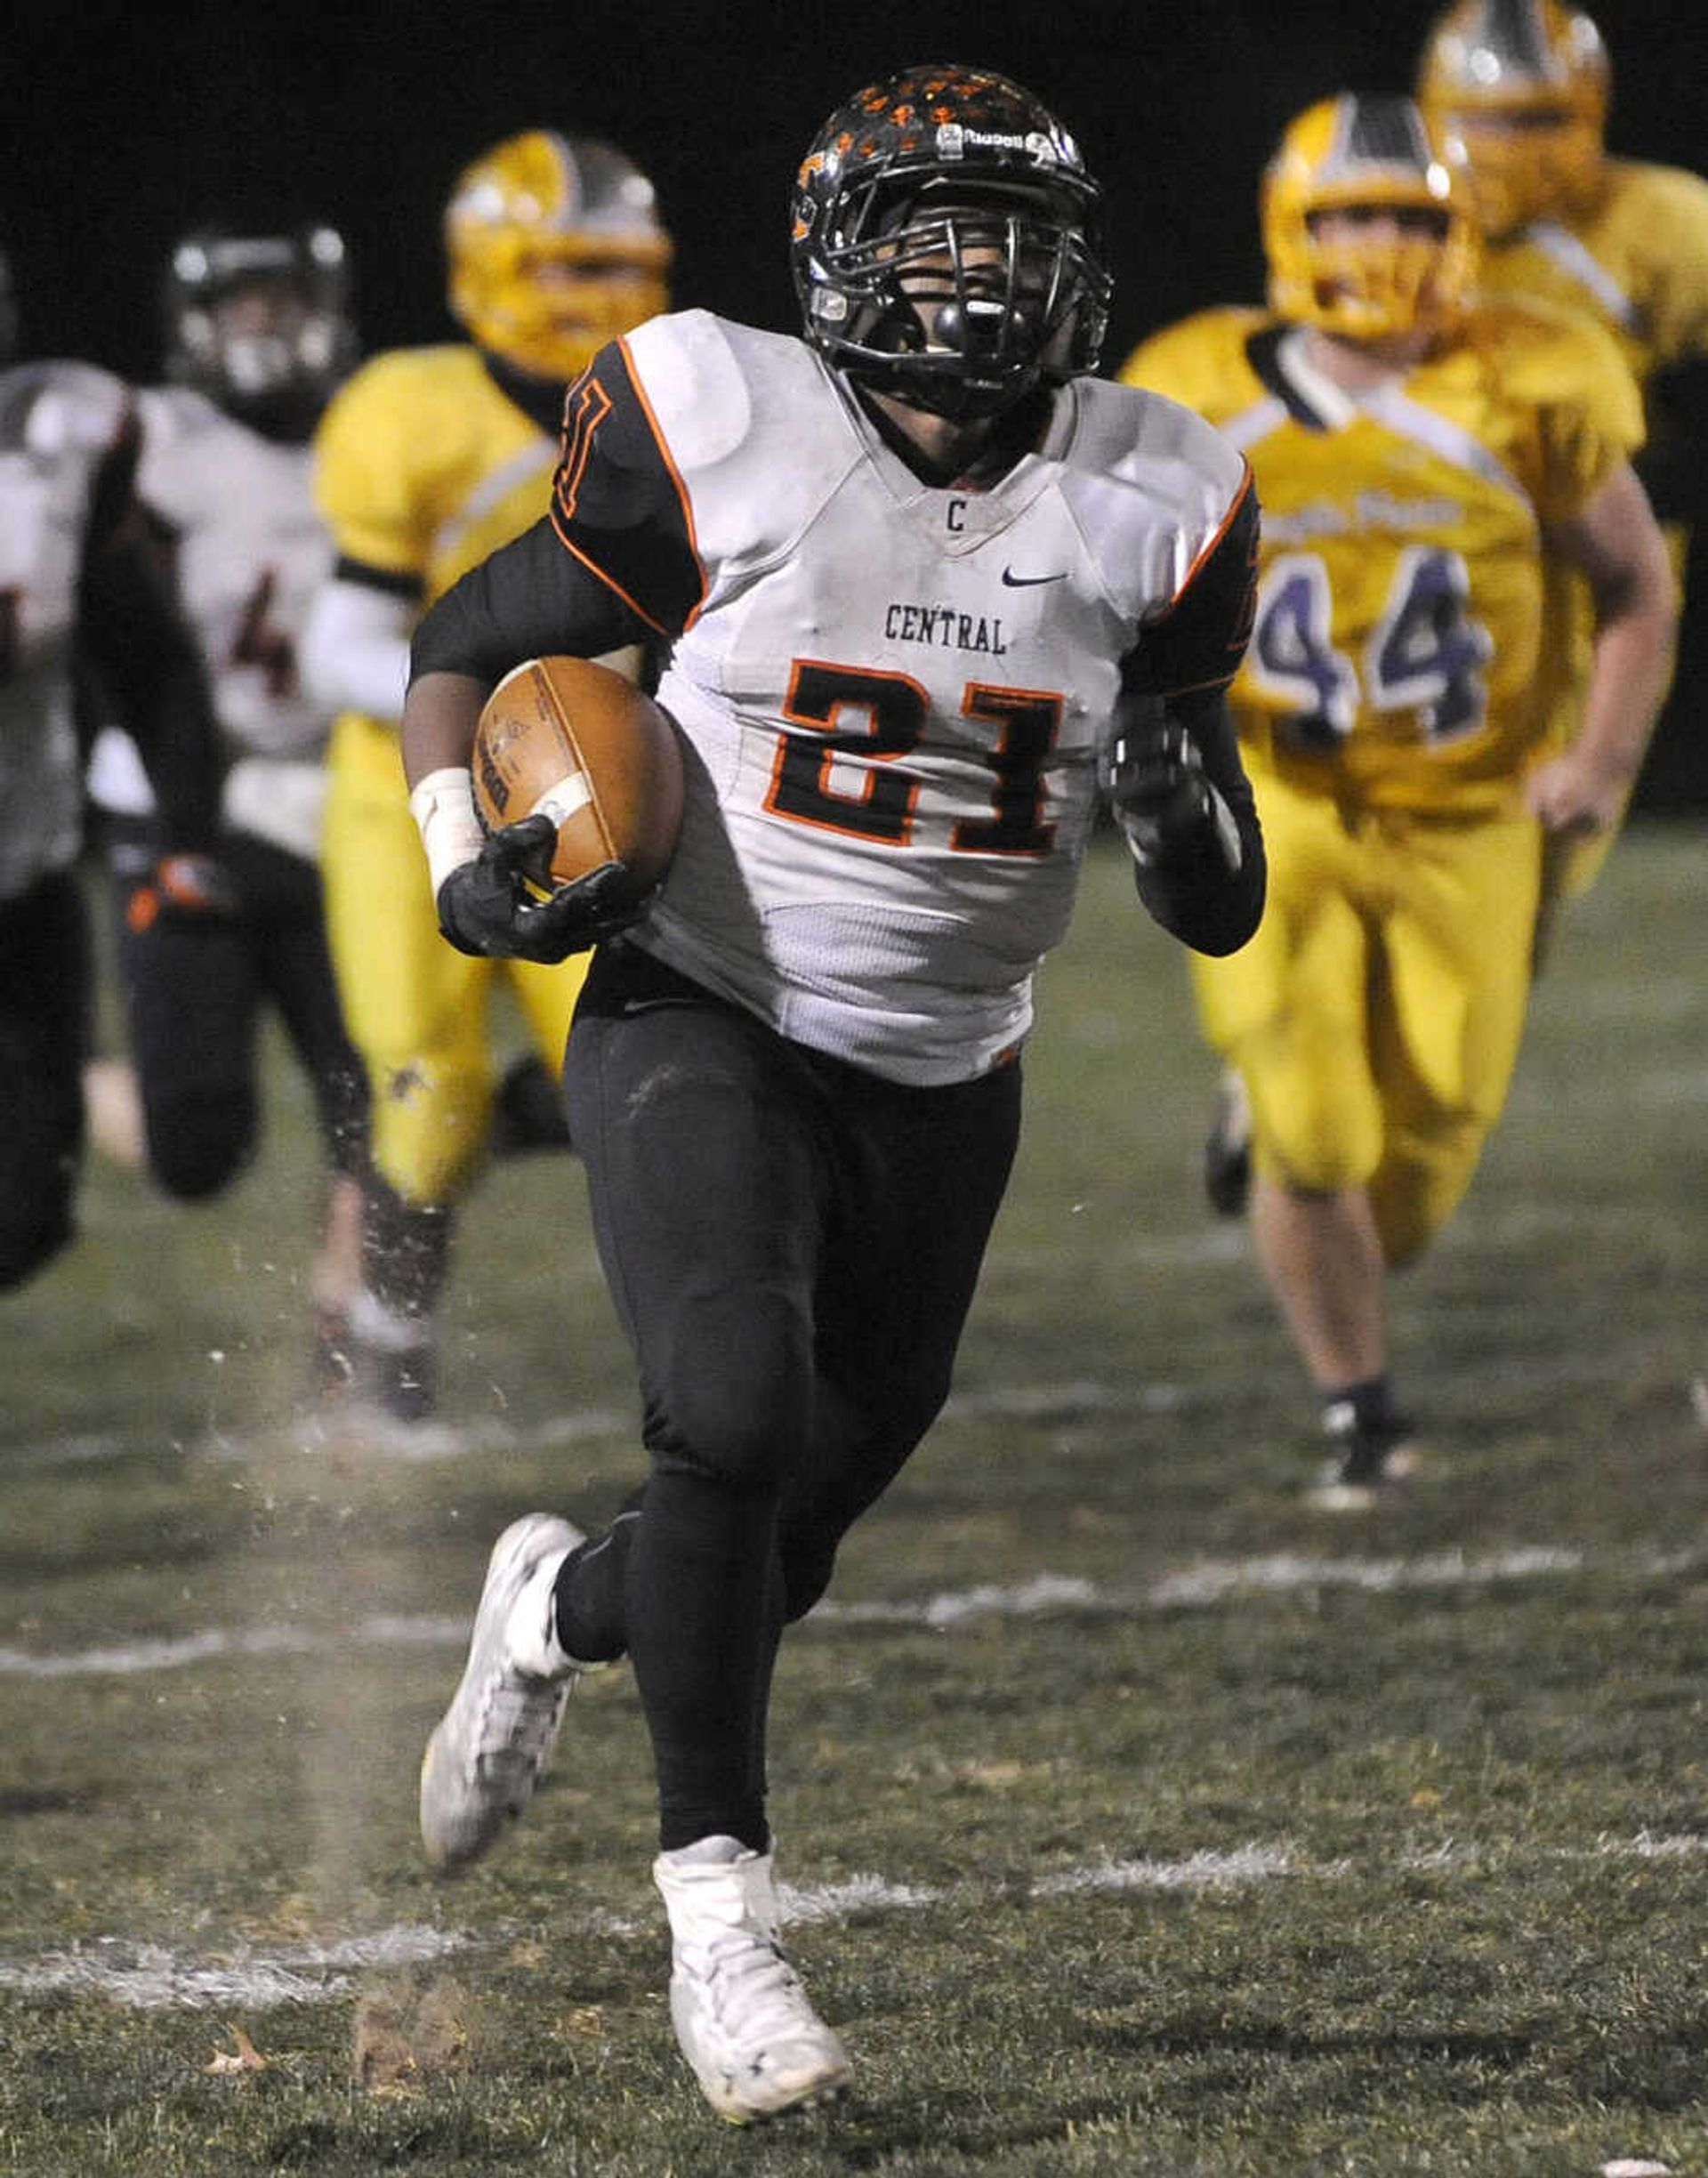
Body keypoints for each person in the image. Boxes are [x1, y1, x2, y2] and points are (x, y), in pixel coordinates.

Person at [399, 63, 1265, 2122]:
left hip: (946, 1073)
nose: (970, 292)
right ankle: (721, 1921)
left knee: (763, 1536)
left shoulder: (1165, 491)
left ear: (1077, 272)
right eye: (931, 241)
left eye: (1009, 248)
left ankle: (546, 1601)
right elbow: (467, 637)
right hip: (699, 998)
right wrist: (461, 853)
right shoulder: (721, 420)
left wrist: (1173, 801)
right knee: (734, 1401)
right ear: (833, 261)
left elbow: (1217, 899)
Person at [1120, 93, 1677, 1507]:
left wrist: (1600, 762)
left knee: (1412, 1179)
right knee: (1318, 1135)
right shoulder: (1200, 389)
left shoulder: (1529, 377)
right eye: (1352, 215)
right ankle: (1361, 1409)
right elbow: (1116, 590)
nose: (1384, 244)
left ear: (1463, 226)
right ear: (1289, 230)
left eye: (1414, 216)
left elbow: (1635, 589)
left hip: (1473, 811)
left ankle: (1295, 1197)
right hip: (1284, 798)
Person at [299, 131, 673, 1423]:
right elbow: (336, 639)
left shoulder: (669, 398)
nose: (598, 295)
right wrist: (482, 696)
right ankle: (388, 1345)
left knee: (642, 1076)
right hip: (407, 794)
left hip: (583, 786)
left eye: (619, 266)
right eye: (567, 262)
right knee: (429, 1089)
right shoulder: (406, 409)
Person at [83, 223, 370, 1378]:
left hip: (339, 796)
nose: (263, 325)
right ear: (195, 322)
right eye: (239, 303)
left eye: (280, 299)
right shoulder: (147, 442)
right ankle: (60, 1091)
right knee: (192, 1149)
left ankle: (353, 1346)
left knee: (385, 1094)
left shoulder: (377, 427)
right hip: (180, 804)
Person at [1418, 0, 1708, 926]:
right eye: (1489, 116)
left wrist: (1613, 486)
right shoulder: (1399, 219)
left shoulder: (1661, 222)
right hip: (1419, 557)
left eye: (1540, 117)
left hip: (1595, 574)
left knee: (1540, 848)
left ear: (1589, 111)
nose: (1509, 144)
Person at [0, 254, 225, 1290]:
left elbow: (145, 656)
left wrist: (185, 832)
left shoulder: (51, 460)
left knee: (25, 1213)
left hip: (27, 877)